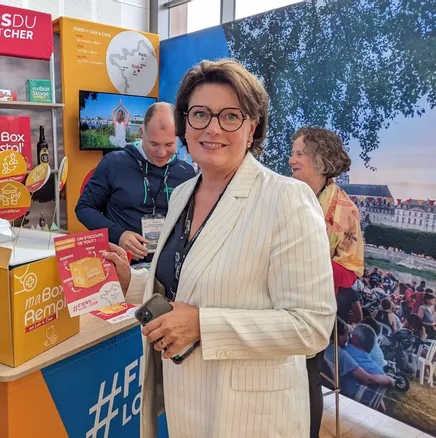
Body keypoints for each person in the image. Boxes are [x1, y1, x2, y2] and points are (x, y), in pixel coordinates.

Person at [104, 59, 336, 438]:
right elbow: (184, 281)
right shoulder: (183, 194)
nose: (212, 128)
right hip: (186, 400)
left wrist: (202, 325)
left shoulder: (285, 198)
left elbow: (311, 326)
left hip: (250, 417)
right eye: (200, 114)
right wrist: (132, 281)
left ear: (252, 126)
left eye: (230, 116)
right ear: (185, 123)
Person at [289, 126, 365, 437]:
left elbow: (350, 272)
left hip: (313, 307)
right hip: (275, 301)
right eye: (292, 153)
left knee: (308, 379)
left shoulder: (345, 210)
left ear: (320, 160)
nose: (291, 160)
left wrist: (304, 261)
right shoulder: (286, 194)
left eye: (299, 154)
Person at [76, 102, 196, 263]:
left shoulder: (186, 172)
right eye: (154, 144)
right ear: (141, 133)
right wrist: (118, 235)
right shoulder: (113, 163)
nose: (161, 153)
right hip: (122, 264)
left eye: (169, 144)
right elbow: (84, 208)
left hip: (167, 267)